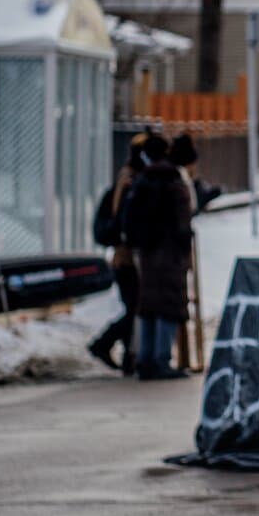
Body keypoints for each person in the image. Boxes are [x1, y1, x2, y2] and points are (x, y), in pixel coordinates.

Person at [121, 134, 193, 380]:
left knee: (149, 305)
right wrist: (184, 248)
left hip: (147, 252)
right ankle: (162, 359)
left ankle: (145, 359)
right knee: (169, 306)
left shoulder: (143, 179)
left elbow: (129, 217)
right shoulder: (173, 181)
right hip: (170, 251)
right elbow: (182, 221)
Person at [88, 133, 148, 374]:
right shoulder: (130, 186)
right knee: (136, 307)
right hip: (128, 258)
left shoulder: (121, 184)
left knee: (134, 306)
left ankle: (127, 355)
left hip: (122, 258)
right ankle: (105, 344)